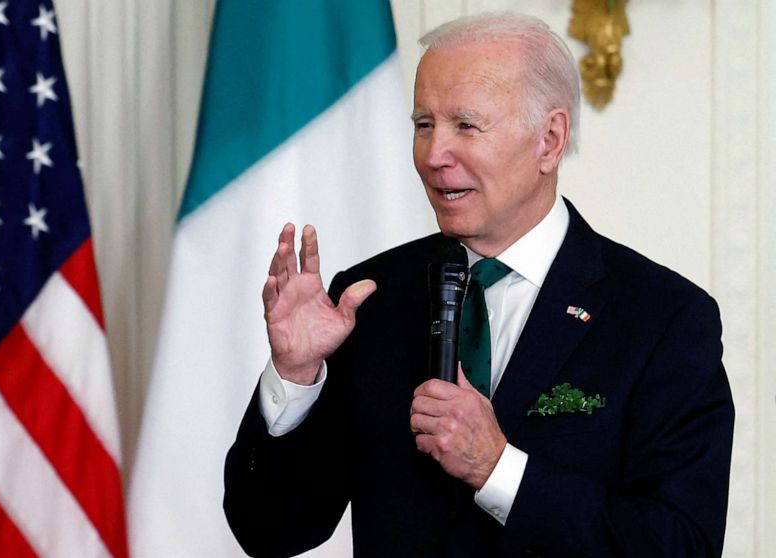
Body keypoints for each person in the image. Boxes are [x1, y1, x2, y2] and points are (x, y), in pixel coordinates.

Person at [224, 12, 734, 558]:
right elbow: (271, 531)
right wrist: (297, 378)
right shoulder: (370, 297)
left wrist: (499, 470)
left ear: (549, 140)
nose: (434, 156)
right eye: (424, 125)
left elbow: (682, 546)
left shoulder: (662, 318)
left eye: (466, 126)